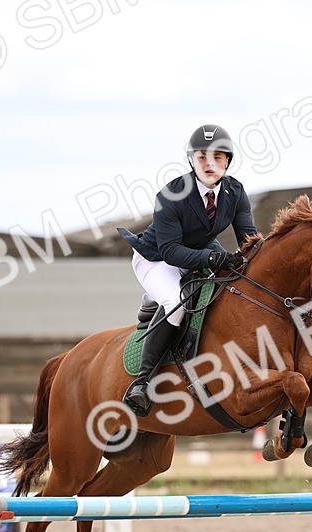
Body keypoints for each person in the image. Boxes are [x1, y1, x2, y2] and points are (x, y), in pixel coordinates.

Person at [117, 124, 259, 417]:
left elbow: (249, 240)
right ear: (192, 161)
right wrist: (213, 259)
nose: (210, 164)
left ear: (227, 162)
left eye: (218, 158)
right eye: (202, 157)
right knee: (175, 303)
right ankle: (142, 384)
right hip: (157, 258)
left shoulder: (235, 191)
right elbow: (171, 251)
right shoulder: (171, 194)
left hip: (200, 250)